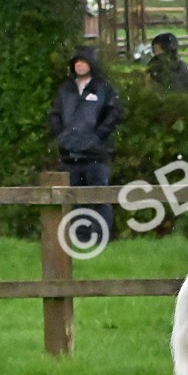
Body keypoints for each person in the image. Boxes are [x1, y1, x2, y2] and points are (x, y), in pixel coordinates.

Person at [47, 46, 123, 245]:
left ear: (91, 64)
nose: (79, 65)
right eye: (76, 62)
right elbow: (54, 114)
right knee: (74, 198)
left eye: (83, 61)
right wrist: (61, 136)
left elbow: (114, 114)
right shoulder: (65, 90)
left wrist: (97, 136)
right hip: (70, 154)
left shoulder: (104, 88)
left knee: (99, 196)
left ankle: (102, 237)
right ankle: (80, 238)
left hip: (96, 155)